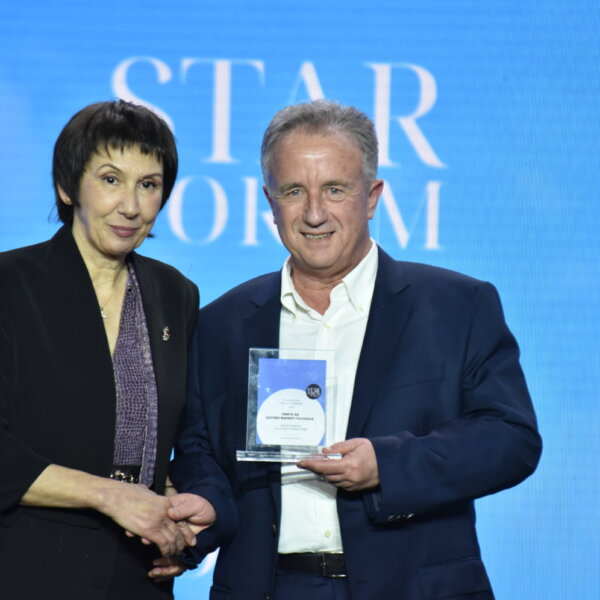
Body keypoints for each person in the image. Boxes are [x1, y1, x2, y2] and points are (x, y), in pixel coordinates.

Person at [169, 99, 542, 599]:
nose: (314, 213)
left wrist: (387, 465)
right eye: (294, 191)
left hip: (413, 588)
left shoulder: (457, 306)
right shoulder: (222, 324)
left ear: (371, 197)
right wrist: (207, 506)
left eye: (335, 189)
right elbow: (201, 452)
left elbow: (511, 439)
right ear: (270, 202)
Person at [0, 100, 211, 599]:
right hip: (28, 568)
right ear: (67, 186)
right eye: (111, 179)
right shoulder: (10, 285)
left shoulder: (175, 294)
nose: (131, 206)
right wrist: (110, 496)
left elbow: (183, 438)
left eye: (149, 184)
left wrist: (182, 517)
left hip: (140, 573)